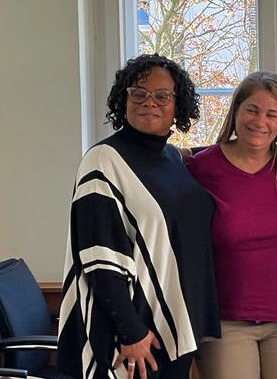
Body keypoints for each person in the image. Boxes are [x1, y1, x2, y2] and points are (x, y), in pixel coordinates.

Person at [58, 54, 220, 379]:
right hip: (134, 332)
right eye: (139, 93)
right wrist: (131, 332)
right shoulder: (103, 161)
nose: (150, 102)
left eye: (163, 96)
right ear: (124, 98)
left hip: (176, 319)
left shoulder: (173, 158)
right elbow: (98, 258)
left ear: (179, 105)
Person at [186, 71, 277, 379]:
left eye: (272, 114)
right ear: (236, 111)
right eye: (252, 109)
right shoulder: (201, 168)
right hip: (227, 322)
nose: (261, 121)